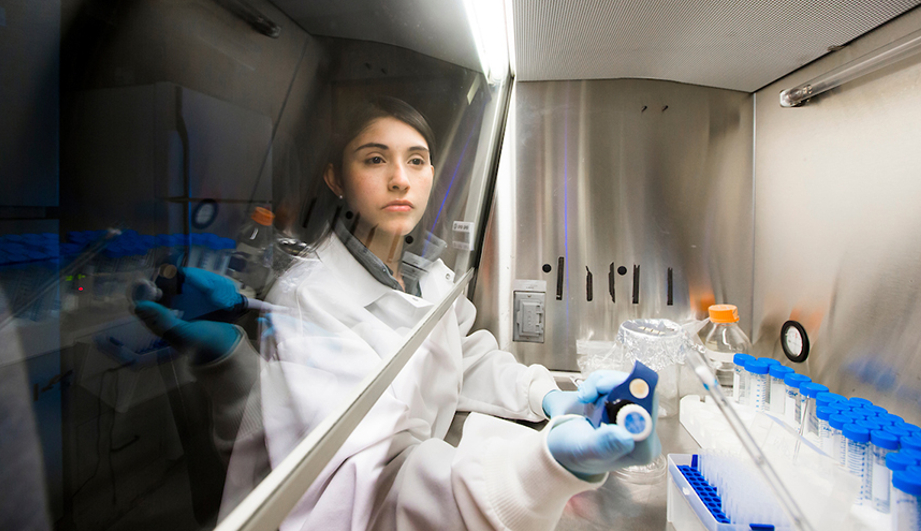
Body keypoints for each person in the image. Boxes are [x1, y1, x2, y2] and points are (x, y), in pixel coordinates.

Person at [133, 97, 660, 531]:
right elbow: (378, 480)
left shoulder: (427, 273)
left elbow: (466, 353)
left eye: (416, 159)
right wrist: (542, 470)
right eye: (375, 158)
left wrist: (546, 396)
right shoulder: (310, 297)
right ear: (337, 179)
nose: (400, 179)